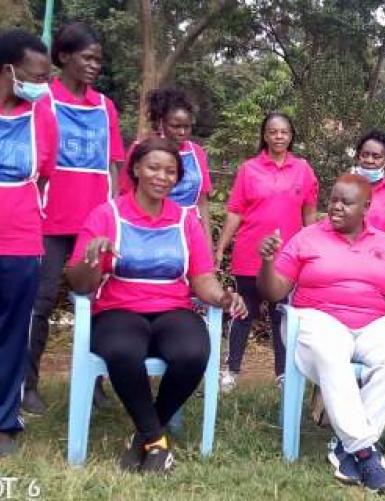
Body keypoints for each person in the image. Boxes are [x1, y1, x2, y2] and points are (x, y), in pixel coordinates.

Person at [65, 137, 247, 473]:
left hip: (172, 308)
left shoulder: (184, 220)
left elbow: (202, 280)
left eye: (171, 171)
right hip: (118, 309)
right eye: (153, 167)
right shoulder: (107, 214)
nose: (162, 176)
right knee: (122, 350)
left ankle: (144, 437)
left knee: (193, 352)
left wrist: (223, 296)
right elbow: (80, 284)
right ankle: (156, 439)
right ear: (135, 168)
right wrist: (93, 258)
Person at [257, 173, 385, 492]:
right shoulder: (307, 238)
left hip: (372, 322)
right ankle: (365, 451)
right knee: (331, 347)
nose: (335, 207)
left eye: (346, 202)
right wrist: (267, 263)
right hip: (317, 319)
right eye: (333, 200)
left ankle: (345, 446)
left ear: (366, 207)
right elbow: (274, 291)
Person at [24, 22, 125, 415]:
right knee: (41, 302)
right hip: (48, 221)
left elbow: (115, 165)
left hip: (94, 225)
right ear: (63, 57)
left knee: (98, 302)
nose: (94, 65)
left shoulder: (105, 106)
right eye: (87, 57)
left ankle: (94, 383)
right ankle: (25, 386)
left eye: (99, 59)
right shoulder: (42, 99)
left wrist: (114, 214)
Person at [215, 112, 318, 392]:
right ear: (264, 135)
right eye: (273, 132)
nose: (279, 137)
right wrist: (222, 244)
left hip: (288, 259)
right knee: (242, 313)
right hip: (249, 254)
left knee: (281, 316)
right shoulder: (249, 169)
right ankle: (231, 370)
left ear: (291, 135)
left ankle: (283, 373)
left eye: (284, 132)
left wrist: (316, 248)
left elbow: (309, 214)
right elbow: (235, 211)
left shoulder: (303, 169)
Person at [0, 29, 58, 457]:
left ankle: (4, 420)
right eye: (36, 75)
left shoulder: (41, 117)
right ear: (9, 71)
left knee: (12, 331)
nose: (43, 84)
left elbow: (45, 171)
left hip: (20, 238)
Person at [118, 88, 212, 237]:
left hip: (190, 229)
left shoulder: (197, 153)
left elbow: (202, 202)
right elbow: (124, 193)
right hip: (149, 228)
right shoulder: (141, 148)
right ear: (161, 122)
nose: (182, 132)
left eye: (186, 127)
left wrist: (207, 243)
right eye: (175, 126)